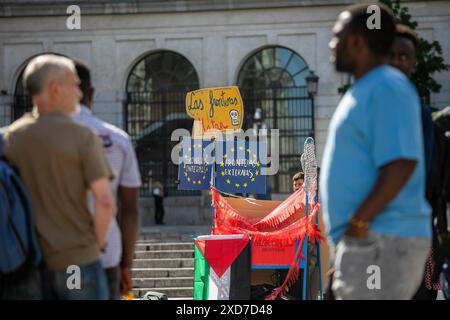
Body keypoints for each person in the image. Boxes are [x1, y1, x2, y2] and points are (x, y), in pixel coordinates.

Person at [321, 4, 431, 300]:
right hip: (372, 241)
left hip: (379, 240)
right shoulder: (372, 87)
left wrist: (357, 226)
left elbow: (401, 163)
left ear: (357, 41)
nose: (331, 45)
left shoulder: (386, 86)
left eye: (336, 36)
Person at [2, 54, 114, 300]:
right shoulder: (82, 136)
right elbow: (105, 201)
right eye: (74, 85)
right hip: (78, 260)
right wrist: (96, 245)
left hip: (27, 264)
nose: (79, 93)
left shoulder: (9, 139)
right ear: (54, 89)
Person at [71, 59, 142, 300]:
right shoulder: (117, 139)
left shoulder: (23, 138)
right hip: (106, 256)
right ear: (90, 92)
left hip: (51, 258)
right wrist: (126, 264)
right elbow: (129, 209)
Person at [390, 24, 441, 300]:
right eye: (392, 55)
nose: (398, 61)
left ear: (414, 63)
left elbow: (429, 175)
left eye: (405, 56)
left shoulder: (420, 114)